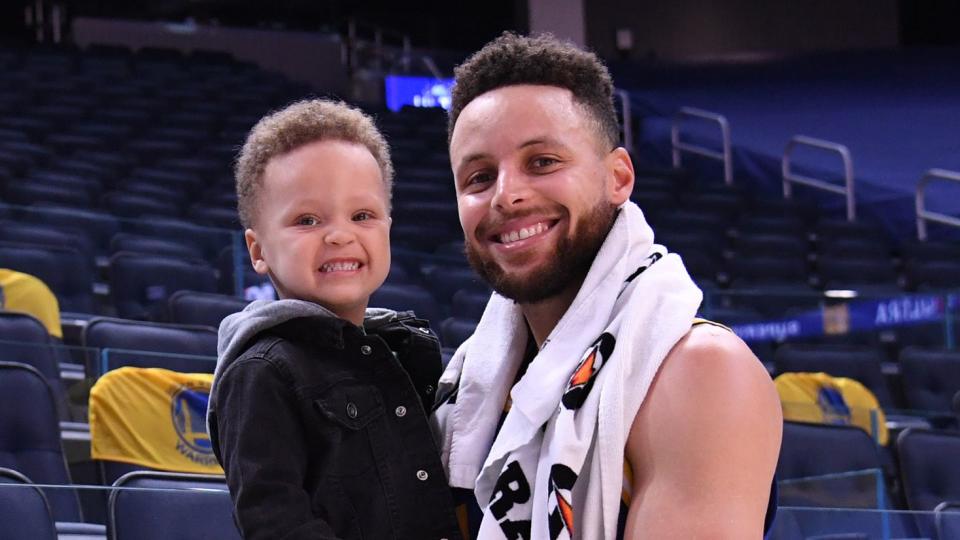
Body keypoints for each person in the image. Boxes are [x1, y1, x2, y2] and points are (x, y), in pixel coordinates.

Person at [432, 33, 782, 539]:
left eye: (542, 162)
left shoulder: (700, 370)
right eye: (479, 177)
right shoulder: (466, 386)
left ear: (618, 177)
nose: (506, 195)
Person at [207, 99, 461, 540]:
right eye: (307, 220)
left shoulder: (408, 350)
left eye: (362, 215)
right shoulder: (260, 373)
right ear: (258, 250)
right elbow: (278, 525)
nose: (341, 235)